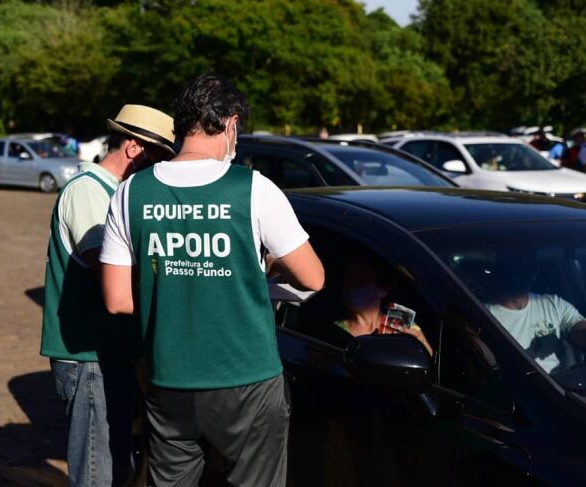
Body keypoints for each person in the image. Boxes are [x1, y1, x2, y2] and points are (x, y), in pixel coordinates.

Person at [100, 73, 325, 486]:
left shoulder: (130, 192)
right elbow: (313, 277)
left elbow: (117, 300)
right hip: (248, 379)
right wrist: (262, 271)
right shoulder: (254, 188)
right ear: (231, 124)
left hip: (169, 377)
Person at [40, 104, 176, 486]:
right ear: (134, 148)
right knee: (97, 471)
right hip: (89, 356)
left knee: (112, 466)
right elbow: (108, 271)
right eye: (159, 155)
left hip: (108, 354)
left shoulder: (116, 193)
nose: (162, 167)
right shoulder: (87, 192)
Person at [484, 258, 586, 374]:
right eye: (514, 264)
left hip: (564, 393)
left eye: (526, 264)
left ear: (534, 271)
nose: (522, 269)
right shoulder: (485, 315)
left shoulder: (553, 304)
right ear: (500, 270)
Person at [335, 259, 433, 355]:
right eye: (349, 278)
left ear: (382, 290)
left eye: (363, 279)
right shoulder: (335, 330)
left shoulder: (400, 320)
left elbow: (428, 361)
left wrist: (423, 346)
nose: (353, 285)